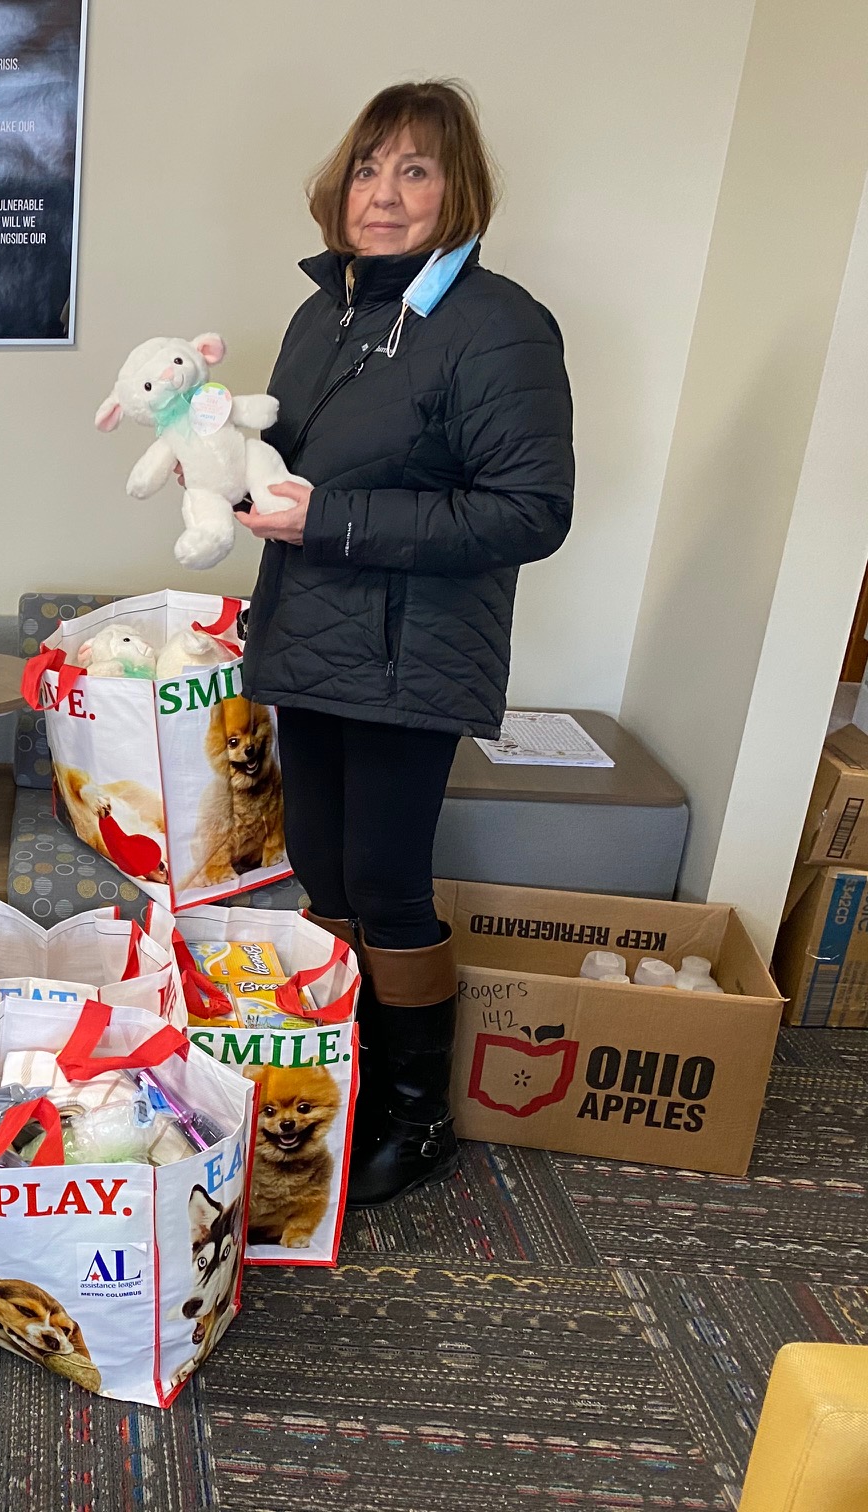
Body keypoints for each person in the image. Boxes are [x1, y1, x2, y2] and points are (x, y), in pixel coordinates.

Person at [237, 80, 574, 1205]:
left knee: (385, 881)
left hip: (412, 653)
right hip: (313, 636)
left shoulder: (497, 323)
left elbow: (529, 511)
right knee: (323, 873)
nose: (382, 194)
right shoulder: (324, 311)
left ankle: (419, 1117)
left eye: (414, 170)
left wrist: (328, 519)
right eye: (367, 169)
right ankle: (353, 1078)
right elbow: (300, 469)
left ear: (455, 190)